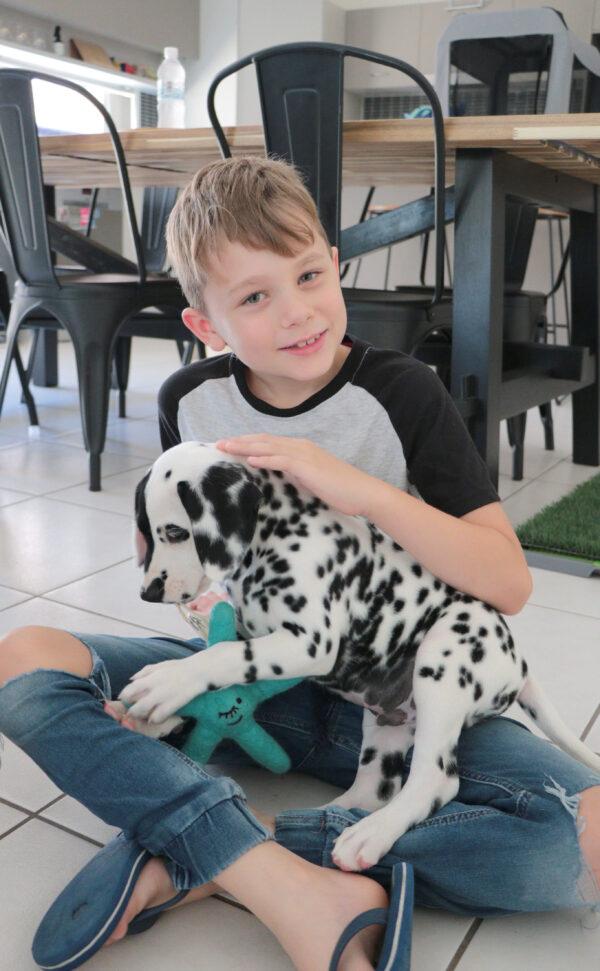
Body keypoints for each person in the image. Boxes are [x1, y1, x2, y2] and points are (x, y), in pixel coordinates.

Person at [1, 156, 598, 971]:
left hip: (399, 689)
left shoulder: (404, 393)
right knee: (25, 661)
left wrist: (365, 493)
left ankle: (223, 855)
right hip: (264, 682)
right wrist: (198, 600)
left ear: (334, 263)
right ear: (205, 325)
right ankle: (298, 877)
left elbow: (508, 582)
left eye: (309, 274)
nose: (298, 312)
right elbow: (202, 557)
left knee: (579, 847)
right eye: (254, 296)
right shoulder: (192, 402)